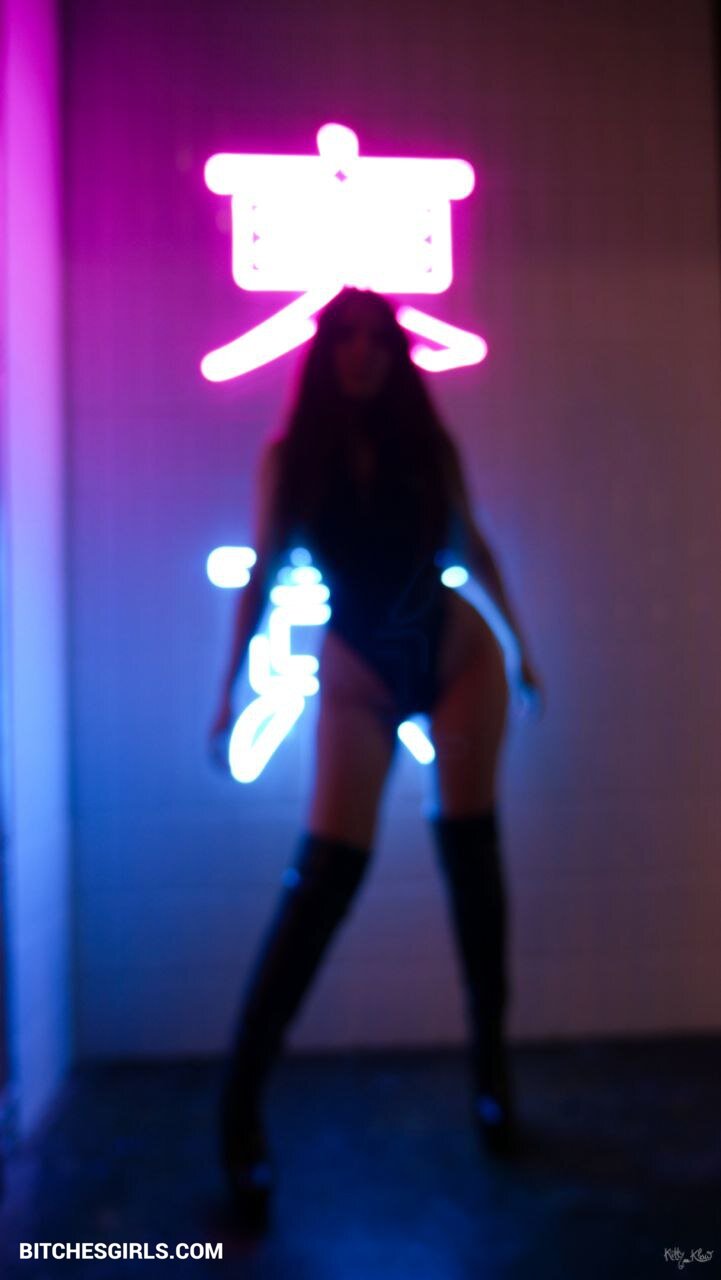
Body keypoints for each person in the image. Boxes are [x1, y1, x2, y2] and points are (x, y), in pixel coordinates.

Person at [207, 286, 544, 1230]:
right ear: (324, 352)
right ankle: (239, 1104)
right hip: (357, 667)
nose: (360, 352)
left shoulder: (429, 446)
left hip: (454, 654)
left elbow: (472, 544)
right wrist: (226, 689)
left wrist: (521, 651)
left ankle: (492, 1074)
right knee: (323, 880)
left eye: (376, 339)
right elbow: (264, 571)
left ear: (395, 354)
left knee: (471, 863)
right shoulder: (291, 460)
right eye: (344, 337)